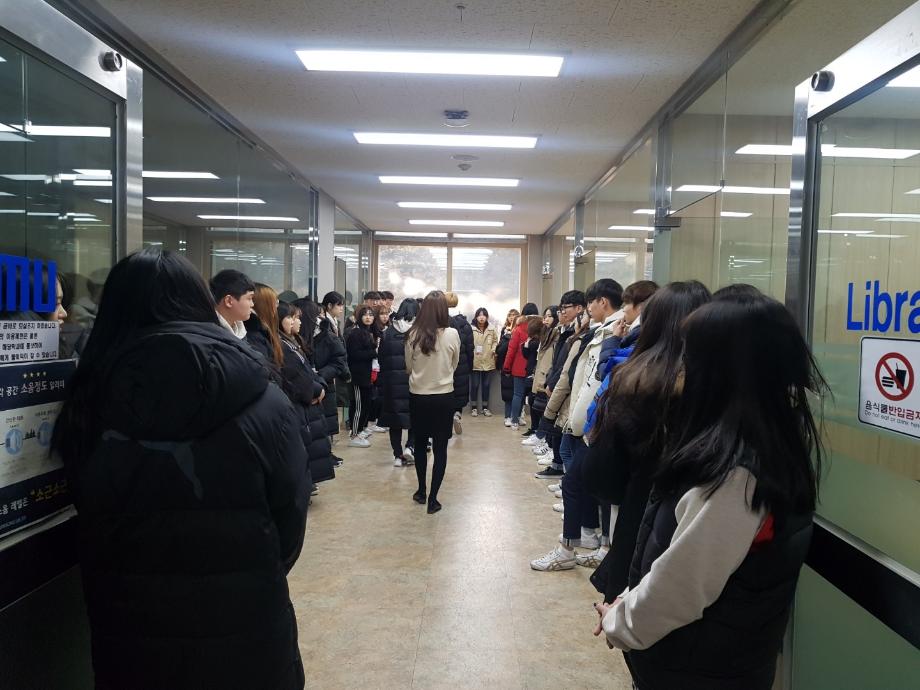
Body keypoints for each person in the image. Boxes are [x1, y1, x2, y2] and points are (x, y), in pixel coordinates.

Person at [51, 248, 309, 689]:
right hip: (246, 620)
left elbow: (84, 499)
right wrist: (252, 566)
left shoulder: (86, 400)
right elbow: (291, 508)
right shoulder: (261, 395)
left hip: (130, 626)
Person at [595, 287, 824, 690]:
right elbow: (676, 555)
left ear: (724, 370)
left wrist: (620, 621)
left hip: (698, 668)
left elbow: (681, 588)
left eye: (692, 356)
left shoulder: (736, 475)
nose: (683, 368)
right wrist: (628, 599)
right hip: (708, 662)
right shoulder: (755, 444)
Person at [582, 281, 710, 604]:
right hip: (703, 531)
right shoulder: (720, 390)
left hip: (642, 519)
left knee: (633, 609)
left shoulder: (635, 381)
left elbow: (603, 476)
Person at [531, 278, 623, 571]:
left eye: (589, 303)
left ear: (602, 302)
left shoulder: (614, 334)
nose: (586, 310)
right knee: (584, 484)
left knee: (579, 483)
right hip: (587, 419)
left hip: (597, 423)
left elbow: (596, 380)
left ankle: (574, 548)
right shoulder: (601, 332)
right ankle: (593, 542)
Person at [405, 290, 460, 514]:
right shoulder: (452, 334)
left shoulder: (412, 334)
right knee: (440, 448)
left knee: (419, 444)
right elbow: (455, 363)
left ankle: (421, 490)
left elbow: (408, 367)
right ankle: (433, 499)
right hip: (443, 396)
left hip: (418, 396)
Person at [278, 301, 334, 484]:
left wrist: (320, 384)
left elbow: (307, 370)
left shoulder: (293, 342)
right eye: (292, 317)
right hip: (303, 401)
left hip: (312, 398)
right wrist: (316, 388)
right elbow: (294, 375)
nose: (297, 322)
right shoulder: (281, 345)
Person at [536, 290, 587, 481]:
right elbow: (558, 363)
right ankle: (562, 473)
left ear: (579, 309)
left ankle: (568, 481)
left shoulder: (581, 335)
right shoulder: (565, 332)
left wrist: (554, 382)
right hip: (557, 383)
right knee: (563, 442)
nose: (561, 312)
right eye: (560, 309)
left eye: (565, 308)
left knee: (566, 445)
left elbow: (567, 368)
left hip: (569, 391)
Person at [295, 297, 348, 460]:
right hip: (306, 388)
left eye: (297, 316)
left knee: (322, 427)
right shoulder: (295, 336)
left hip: (324, 386)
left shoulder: (326, 335)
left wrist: (320, 375)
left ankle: (325, 456)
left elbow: (339, 361)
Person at [378, 298, 420, 467]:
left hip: (392, 383)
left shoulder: (388, 332)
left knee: (394, 420)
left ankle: (397, 456)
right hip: (414, 381)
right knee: (415, 417)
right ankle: (410, 447)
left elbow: (381, 358)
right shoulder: (419, 332)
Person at [525, 306, 559, 458]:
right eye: (545, 316)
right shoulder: (546, 335)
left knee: (547, 411)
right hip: (540, 374)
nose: (545, 319)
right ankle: (541, 436)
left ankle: (546, 441)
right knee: (538, 406)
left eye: (549, 316)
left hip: (549, 377)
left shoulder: (557, 335)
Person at [502, 303, 539, 431]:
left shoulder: (518, 329)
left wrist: (506, 367)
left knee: (517, 394)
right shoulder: (540, 328)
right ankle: (533, 424)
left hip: (519, 368)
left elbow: (511, 350)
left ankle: (514, 421)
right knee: (533, 396)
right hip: (535, 368)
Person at [345, 305, 378, 447]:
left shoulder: (369, 332)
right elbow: (354, 355)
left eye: (371, 314)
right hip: (358, 376)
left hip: (367, 374)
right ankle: (354, 434)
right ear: (359, 317)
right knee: (358, 405)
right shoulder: (355, 333)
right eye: (365, 314)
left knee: (366, 404)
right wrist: (374, 352)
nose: (368, 317)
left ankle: (361, 429)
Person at [446, 292, 473, 435]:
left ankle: (446, 418)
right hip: (462, 362)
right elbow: (470, 348)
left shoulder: (442, 320)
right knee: (459, 391)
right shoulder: (465, 324)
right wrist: (469, 365)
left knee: (447, 392)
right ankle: (457, 414)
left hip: (446, 362)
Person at [210, 269, 255, 339]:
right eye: (249, 298)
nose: (252, 304)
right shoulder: (209, 336)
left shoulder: (240, 332)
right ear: (229, 301)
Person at [470, 307, 497, 417]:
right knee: (475, 385)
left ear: (487, 317)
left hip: (488, 360)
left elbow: (495, 341)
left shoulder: (492, 329)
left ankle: (485, 408)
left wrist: (493, 350)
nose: (481, 317)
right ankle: (474, 408)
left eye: (484, 315)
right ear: (476, 317)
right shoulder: (471, 328)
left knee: (486, 385)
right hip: (475, 360)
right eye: (479, 315)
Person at [495, 309, 519, 426]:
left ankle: (517, 416)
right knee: (508, 392)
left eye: (514, 315)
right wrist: (507, 337)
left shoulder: (521, 331)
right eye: (510, 315)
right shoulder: (505, 330)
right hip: (506, 365)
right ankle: (507, 416)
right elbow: (499, 350)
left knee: (519, 392)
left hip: (518, 365)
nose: (512, 317)